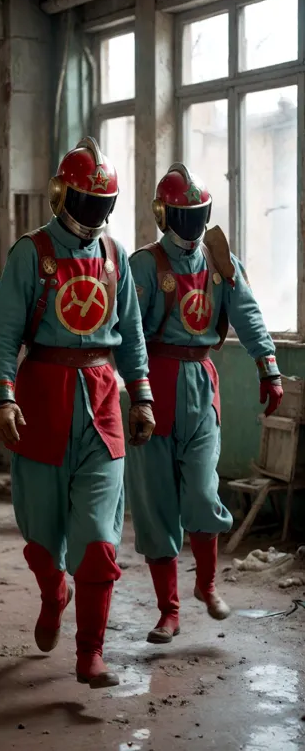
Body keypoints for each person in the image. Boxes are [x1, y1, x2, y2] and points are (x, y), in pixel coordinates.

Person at [0, 137, 155, 688]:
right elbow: (5, 334)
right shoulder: (29, 254)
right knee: (40, 535)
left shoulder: (115, 257)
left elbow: (130, 333)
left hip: (104, 401)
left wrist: (143, 394)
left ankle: (91, 654)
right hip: (42, 401)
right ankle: (53, 588)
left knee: (99, 537)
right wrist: (3, 396)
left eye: (103, 205)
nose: (94, 215)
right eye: (85, 203)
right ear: (62, 195)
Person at [126, 162, 283, 644]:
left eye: (199, 214)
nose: (193, 226)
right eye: (183, 215)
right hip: (152, 386)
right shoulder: (145, 265)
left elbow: (248, 313)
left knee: (201, 489)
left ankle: (208, 585)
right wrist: (133, 390)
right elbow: (128, 330)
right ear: (164, 216)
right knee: (155, 501)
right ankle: (168, 611)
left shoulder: (220, 261)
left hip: (200, 383)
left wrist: (268, 365)